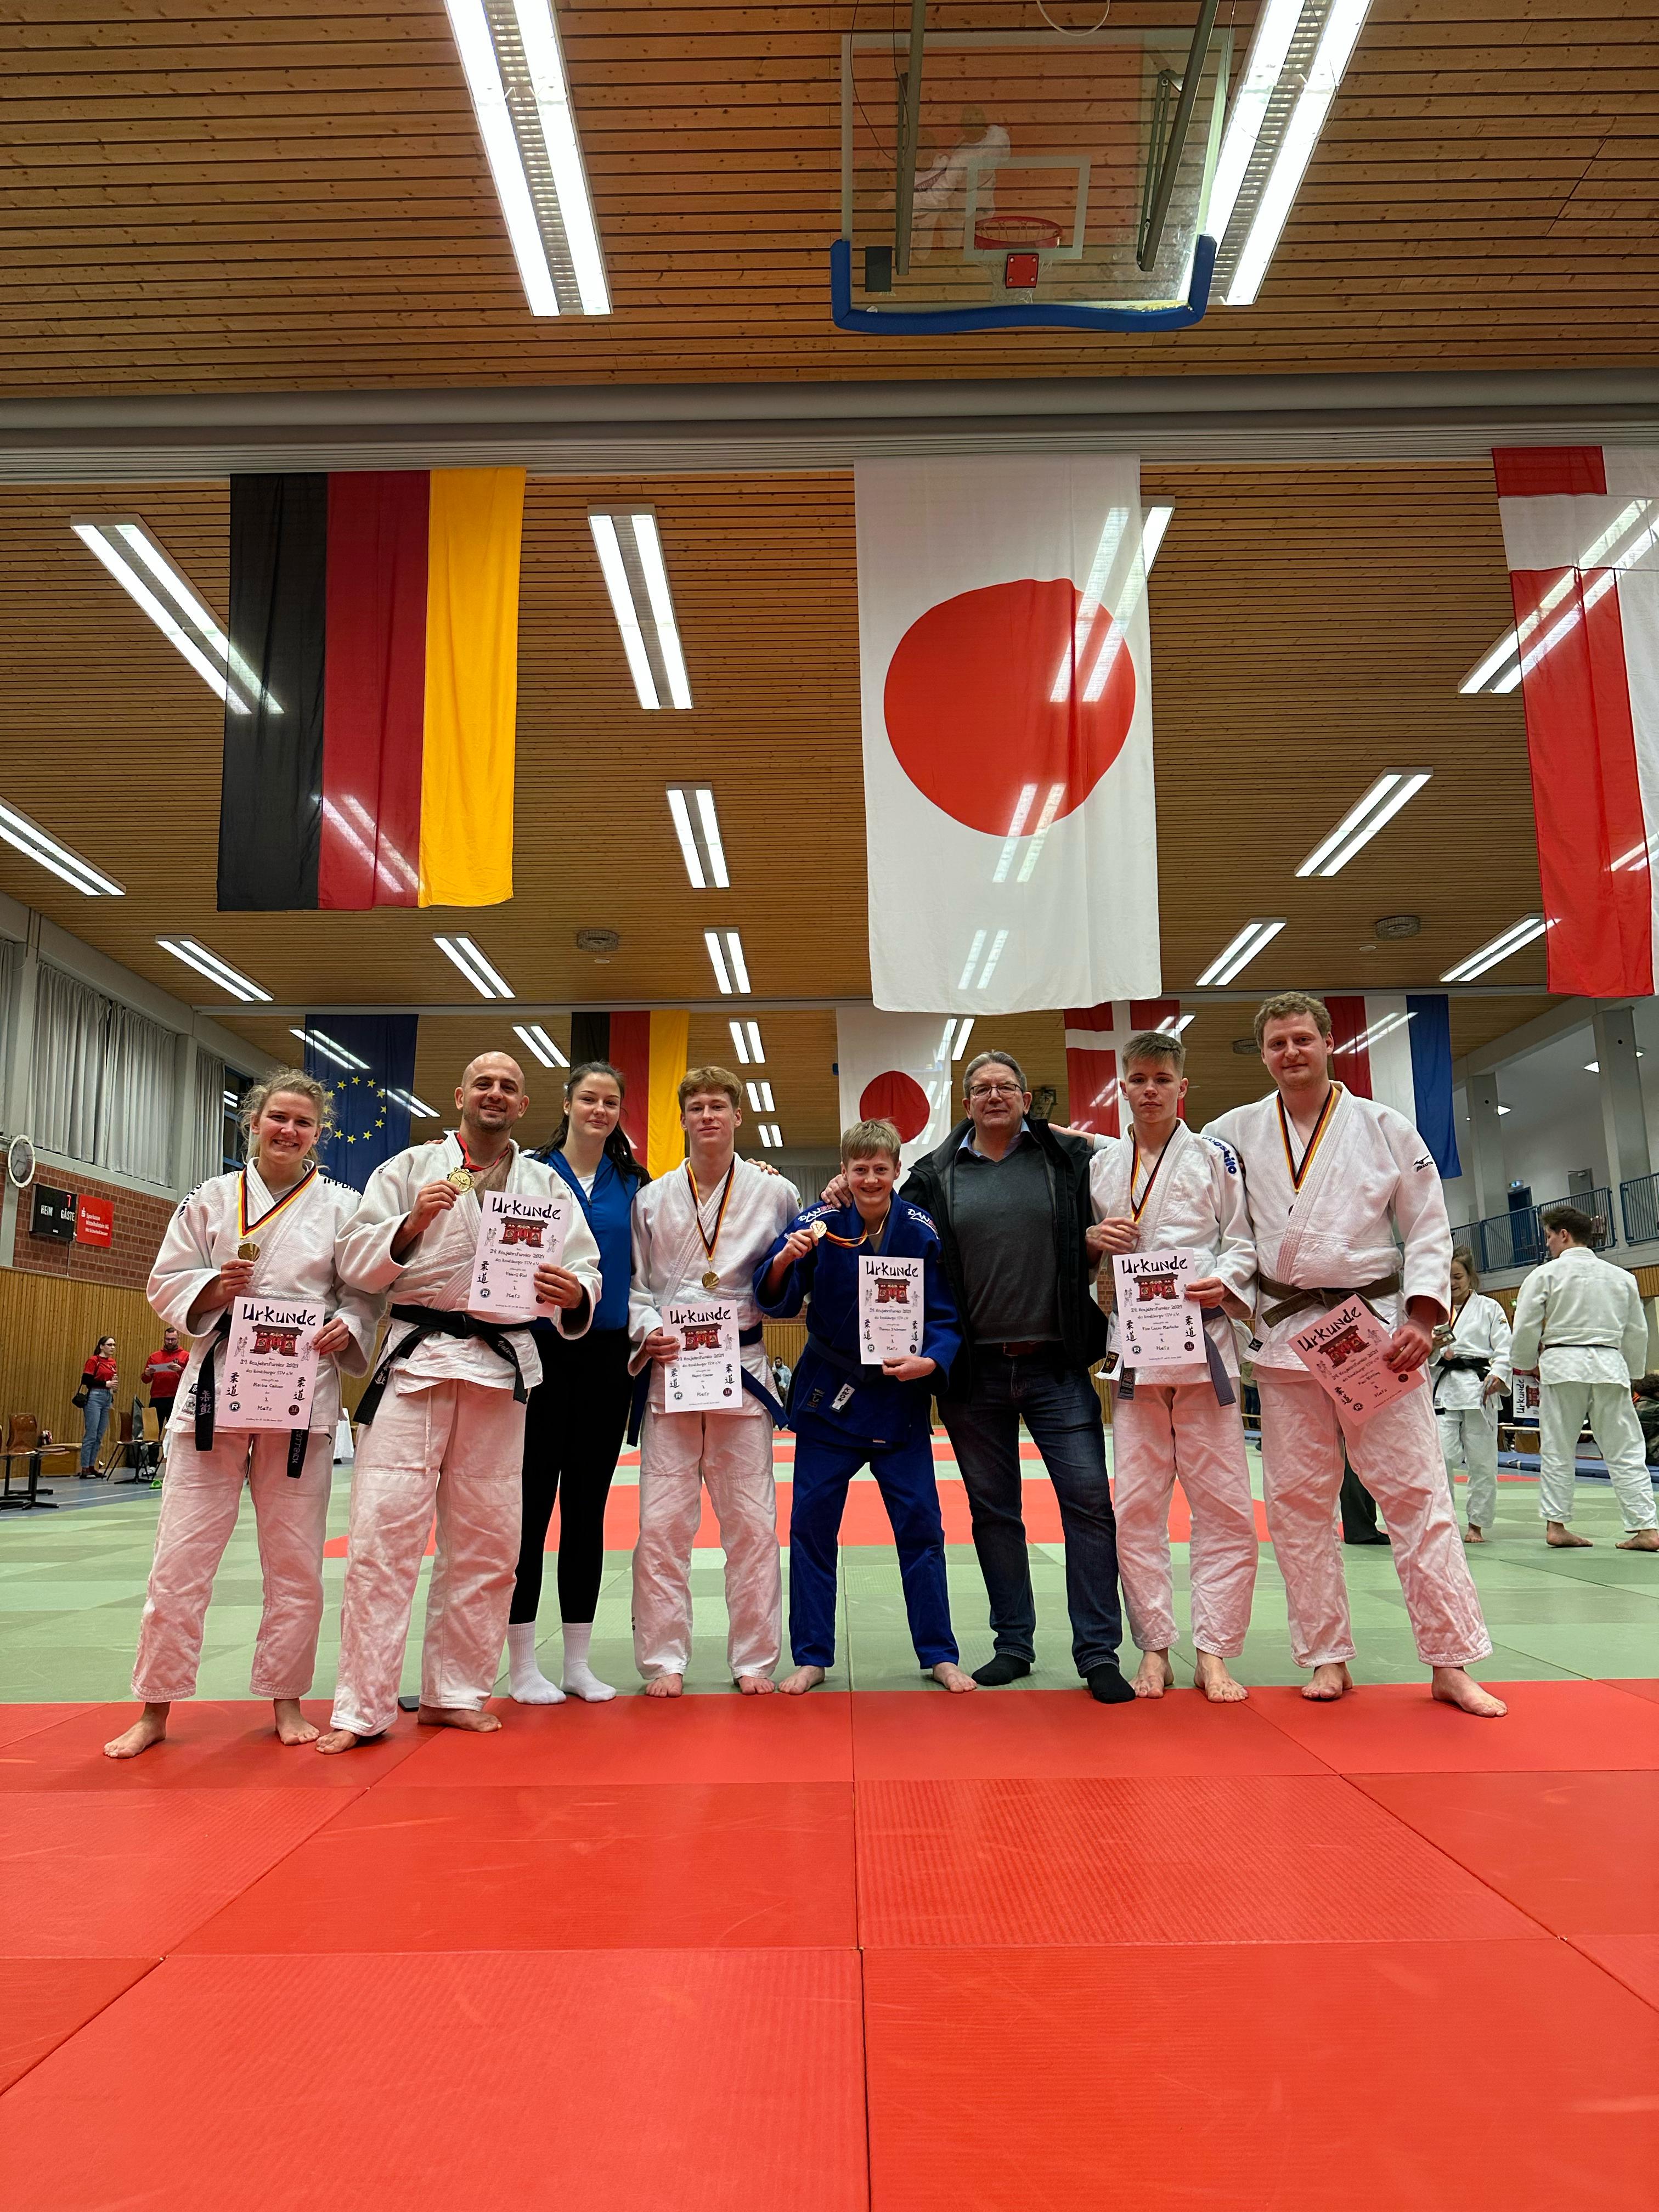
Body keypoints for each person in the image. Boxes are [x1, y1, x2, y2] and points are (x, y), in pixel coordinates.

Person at [1204, 993, 1504, 1718]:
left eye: (1302, 1039)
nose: (1290, 1053)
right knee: (1299, 1504)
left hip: (1375, 1331)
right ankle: (1327, 1656)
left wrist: (1425, 1312)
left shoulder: (1384, 1126)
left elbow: (1429, 1226)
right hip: (1284, 1337)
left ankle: (1450, 1660)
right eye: (1277, 1044)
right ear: (1266, 1053)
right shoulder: (1232, 1132)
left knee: (1416, 1494)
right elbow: (1210, 1221)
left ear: (1330, 1042)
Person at [317, 1053, 602, 1754]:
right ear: (460, 1096)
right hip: (417, 1363)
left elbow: (585, 1263)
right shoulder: (409, 1170)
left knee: (489, 1544)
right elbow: (354, 1262)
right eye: (484, 1083)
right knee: (384, 1541)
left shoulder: (543, 1183)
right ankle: (361, 1707)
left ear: (523, 1102)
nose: (495, 1093)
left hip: (502, 1370)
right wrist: (410, 1226)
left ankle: (455, 1693)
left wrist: (577, 1293)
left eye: (508, 1085)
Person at [105, 1073, 380, 1759]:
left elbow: (366, 1293)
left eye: (304, 1123)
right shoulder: (208, 1199)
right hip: (213, 1393)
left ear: (320, 1133)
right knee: (179, 1557)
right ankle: (155, 1707)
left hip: (298, 1392)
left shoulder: (344, 1207)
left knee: (295, 1563)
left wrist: (348, 1325)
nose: (290, 1131)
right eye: (278, 1118)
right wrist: (208, 1286)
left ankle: (286, 1700)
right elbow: (165, 1280)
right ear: (252, 1123)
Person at [896, 1049, 1132, 1702]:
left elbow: (1133, 1151)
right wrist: (835, 1192)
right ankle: (1014, 1644)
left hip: (1056, 1365)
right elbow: (888, 1228)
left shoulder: (1068, 1161)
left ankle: (1098, 1652)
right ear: (965, 1103)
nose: (994, 1095)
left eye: (1007, 1086)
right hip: (975, 1375)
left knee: (1089, 1505)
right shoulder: (933, 1175)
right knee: (994, 1512)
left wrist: (1074, 1139)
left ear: (1029, 1099)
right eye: (981, 1088)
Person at [757, 1116, 973, 1695]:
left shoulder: (922, 1230)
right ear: (845, 1173)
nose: (872, 1178)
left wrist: (934, 1360)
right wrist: (784, 1258)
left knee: (923, 1527)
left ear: (897, 1170)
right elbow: (775, 1298)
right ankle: (811, 1654)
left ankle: (939, 1652)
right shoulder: (819, 1224)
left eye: (882, 1168)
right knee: (810, 1528)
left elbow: (947, 1315)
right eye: (861, 1169)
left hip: (899, 1398)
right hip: (831, 1397)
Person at [1087, 1030, 1259, 1702]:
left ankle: (1214, 1652)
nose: (1150, 1089)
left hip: (1205, 1348)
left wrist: (1226, 1279)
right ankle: (1154, 1647)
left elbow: (1244, 1241)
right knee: (1135, 1508)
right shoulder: (1102, 1166)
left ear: (1182, 1087)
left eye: (1162, 1078)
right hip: (1133, 1353)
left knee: (1224, 1509)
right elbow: (1091, 1265)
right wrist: (1094, 1243)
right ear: (1122, 1088)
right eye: (1138, 1078)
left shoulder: (1217, 1157)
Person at [628, 1066, 799, 1696]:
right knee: (662, 1525)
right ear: (682, 1119)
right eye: (696, 1106)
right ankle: (664, 1659)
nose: (708, 1116)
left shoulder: (772, 1193)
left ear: (737, 1117)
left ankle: (755, 1659)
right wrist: (648, 1330)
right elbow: (636, 1287)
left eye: (718, 1106)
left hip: (742, 1371)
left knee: (752, 1524)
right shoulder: (652, 1198)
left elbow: (795, 1259)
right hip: (673, 1371)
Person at [507, 1059, 648, 1706]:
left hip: (607, 1356)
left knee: (586, 1510)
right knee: (530, 1510)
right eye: (589, 1098)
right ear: (566, 1104)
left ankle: (578, 1662)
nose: (600, 1110)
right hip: (536, 1354)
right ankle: (519, 1663)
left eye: (611, 1101)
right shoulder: (531, 1175)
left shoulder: (634, 1184)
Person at [1509, 1205, 1658, 1553]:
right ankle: (1647, 1528)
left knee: (1559, 1448)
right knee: (1626, 1450)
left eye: (1549, 1236)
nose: (1548, 1245)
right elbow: (1637, 1331)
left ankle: (1557, 1526)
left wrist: (1525, 1362)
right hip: (1609, 1366)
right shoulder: (1622, 1277)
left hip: (1562, 1365)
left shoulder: (1545, 1275)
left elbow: (1527, 1324)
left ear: (1564, 1234)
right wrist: (1634, 1374)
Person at [1429, 1247, 1513, 1543]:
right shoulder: (1434, 1312)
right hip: (1443, 1390)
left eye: (1458, 1276)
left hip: (1479, 1389)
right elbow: (1424, 1356)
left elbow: (1505, 1349)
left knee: (1482, 1462)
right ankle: (1446, 1520)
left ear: (1470, 1276)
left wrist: (1499, 1374)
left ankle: (1476, 1524)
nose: (1453, 1282)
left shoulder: (1490, 1309)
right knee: (1442, 1459)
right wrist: (1434, 1348)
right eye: (1447, 1277)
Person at [142, 1325, 189, 1442]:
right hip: (157, 1398)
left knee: (173, 1432)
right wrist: (147, 1374)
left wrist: (180, 1370)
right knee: (152, 1433)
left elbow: (190, 1378)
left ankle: (169, 1459)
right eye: (167, 1339)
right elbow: (145, 1380)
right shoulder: (155, 1357)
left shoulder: (186, 1356)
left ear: (179, 1338)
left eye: (173, 1339)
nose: (170, 1342)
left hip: (175, 1398)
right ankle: (152, 1461)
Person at [77, 1336, 116, 1473]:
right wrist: (105, 1384)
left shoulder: (112, 1362)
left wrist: (111, 1391)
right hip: (95, 1396)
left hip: (107, 1397)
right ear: (101, 1346)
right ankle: (85, 1467)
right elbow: (86, 1380)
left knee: (100, 1435)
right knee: (91, 1434)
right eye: (109, 1345)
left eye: (114, 1345)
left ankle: (92, 1465)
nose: (112, 1347)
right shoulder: (94, 1361)